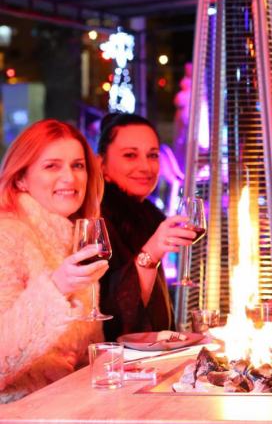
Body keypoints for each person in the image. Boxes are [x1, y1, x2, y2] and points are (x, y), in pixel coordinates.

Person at [0, 119, 108, 403]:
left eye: (77, 165)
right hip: (16, 417)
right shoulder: (6, 235)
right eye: (52, 166)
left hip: (67, 407)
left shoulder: (71, 238)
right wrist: (56, 288)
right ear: (20, 178)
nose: (70, 178)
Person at [96, 113, 196, 341]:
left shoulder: (148, 217)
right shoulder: (97, 221)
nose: (145, 166)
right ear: (102, 164)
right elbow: (110, 318)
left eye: (152, 155)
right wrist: (149, 255)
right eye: (130, 155)